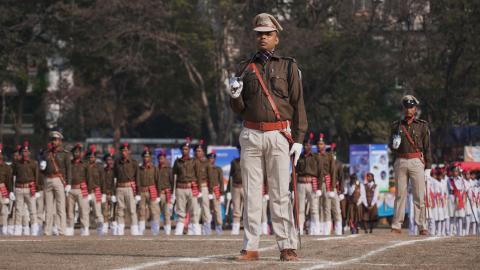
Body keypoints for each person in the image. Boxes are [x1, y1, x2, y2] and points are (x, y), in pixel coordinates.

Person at [229, 13, 307, 261]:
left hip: (279, 133)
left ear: (276, 37)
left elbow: (298, 104)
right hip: (251, 133)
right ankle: (250, 246)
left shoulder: (288, 66)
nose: (263, 37)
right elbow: (239, 109)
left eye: (267, 33)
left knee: (280, 193)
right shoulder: (243, 67)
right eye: (259, 34)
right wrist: (234, 96)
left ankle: (287, 245)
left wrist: (300, 139)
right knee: (251, 193)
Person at [390, 95, 431, 235]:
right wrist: (393, 145)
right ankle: (397, 225)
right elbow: (391, 146)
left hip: (416, 161)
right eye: (406, 107)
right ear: (403, 109)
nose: (409, 110)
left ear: (415, 108)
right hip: (400, 161)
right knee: (400, 195)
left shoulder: (422, 125)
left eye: (411, 107)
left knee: (419, 196)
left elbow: (427, 147)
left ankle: (422, 226)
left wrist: (429, 167)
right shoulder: (396, 125)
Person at [43, 131, 70, 236]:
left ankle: (62, 230)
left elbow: (69, 169)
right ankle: (47, 230)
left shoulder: (65, 154)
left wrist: (69, 183)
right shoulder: (46, 153)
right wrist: (42, 168)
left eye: (55, 140)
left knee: (60, 207)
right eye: (52, 140)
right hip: (47, 179)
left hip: (59, 180)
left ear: (60, 141)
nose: (53, 142)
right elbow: (43, 170)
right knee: (48, 208)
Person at [11, 141, 40, 236]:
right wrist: (11, 190)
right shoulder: (16, 163)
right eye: (23, 151)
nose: (25, 153)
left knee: (32, 210)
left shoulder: (33, 163)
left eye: (26, 151)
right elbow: (12, 176)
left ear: (30, 153)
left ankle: (34, 229)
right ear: (21, 153)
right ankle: (18, 228)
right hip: (19, 188)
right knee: (18, 210)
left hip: (29, 188)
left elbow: (37, 177)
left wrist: (37, 189)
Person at [173, 139, 201, 235]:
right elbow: (174, 176)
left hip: (191, 187)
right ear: (181, 150)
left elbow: (198, 176)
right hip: (180, 188)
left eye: (187, 149)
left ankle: (195, 230)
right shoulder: (177, 162)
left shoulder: (194, 161)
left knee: (194, 210)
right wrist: (174, 192)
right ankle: (179, 231)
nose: (185, 151)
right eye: (183, 149)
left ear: (189, 150)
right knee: (180, 210)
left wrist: (199, 190)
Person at [295, 132, 321, 235]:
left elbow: (320, 173)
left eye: (309, 145)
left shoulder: (316, 157)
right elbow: (295, 173)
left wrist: (319, 187)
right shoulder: (299, 157)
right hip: (301, 184)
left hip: (312, 184)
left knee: (314, 208)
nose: (307, 146)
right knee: (300, 208)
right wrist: (293, 189)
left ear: (311, 146)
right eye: (305, 145)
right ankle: (300, 229)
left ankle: (316, 229)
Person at [113, 142, 140, 236]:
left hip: (129, 188)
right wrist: (113, 192)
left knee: (132, 210)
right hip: (120, 188)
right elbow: (114, 177)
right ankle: (120, 230)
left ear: (129, 151)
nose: (124, 152)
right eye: (122, 150)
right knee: (120, 210)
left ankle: (135, 229)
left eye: (126, 150)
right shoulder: (117, 162)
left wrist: (138, 193)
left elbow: (137, 178)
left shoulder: (134, 163)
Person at [66, 143, 92, 236]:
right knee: (69, 210)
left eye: (78, 152)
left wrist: (89, 192)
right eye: (75, 152)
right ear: (72, 153)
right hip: (70, 189)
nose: (77, 153)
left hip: (82, 189)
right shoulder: (69, 164)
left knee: (83, 210)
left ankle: (84, 228)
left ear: (81, 153)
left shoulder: (85, 164)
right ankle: (69, 227)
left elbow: (89, 178)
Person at [137, 147, 161, 235]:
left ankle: (155, 230)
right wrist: (137, 194)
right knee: (141, 211)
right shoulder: (139, 169)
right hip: (142, 192)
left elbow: (158, 181)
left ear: (150, 158)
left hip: (152, 191)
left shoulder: (154, 168)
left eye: (148, 157)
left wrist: (158, 195)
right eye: (144, 157)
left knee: (154, 211)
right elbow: (137, 181)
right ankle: (140, 230)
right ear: (142, 158)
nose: (146, 158)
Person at [316, 133, 336, 235]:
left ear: (325, 145)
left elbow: (333, 172)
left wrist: (332, 187)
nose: (320, 145)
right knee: (318, 206)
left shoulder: (329, 156)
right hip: (317, 185)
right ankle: (319, 228)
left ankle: (327, 229)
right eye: (319, 144)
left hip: (326, 183)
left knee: (327, 207)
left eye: (322, 144)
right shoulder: (314, 156)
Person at [86, 145, 105, 235]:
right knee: (85, 211)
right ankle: (85, 229)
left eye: (93, 157)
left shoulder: (99, 167)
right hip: (86, 192)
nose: (91, 158)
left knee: (98, 212)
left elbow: (102, 181)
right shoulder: (85, 167)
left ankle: (100, 228)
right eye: (90, 157)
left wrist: (103, 193)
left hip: (96, 191)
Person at [207, 151, 225, 235]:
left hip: (215, 191)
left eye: (213, 158)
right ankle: (207, 228)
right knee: (207, 210)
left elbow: (221, 181)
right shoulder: (205, 168)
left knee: (217, 210)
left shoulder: (218, 169)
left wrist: (222, 193)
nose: (212, 160)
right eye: (210, 158)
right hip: (206, 190)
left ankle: (219, 227)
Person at [157, 150, 173, 235]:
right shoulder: (155, 169)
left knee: (167, 213)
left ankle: (167, 232)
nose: (161, 160)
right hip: (157, 194)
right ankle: (155, 231)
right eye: (159, 159)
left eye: (162, 158)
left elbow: (172, 182)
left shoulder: (169, 170)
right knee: (156, 213)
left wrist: (173, 194)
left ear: (165, 159)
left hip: (166, 193)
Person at [227, 150, 243, 235]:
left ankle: (251, 228)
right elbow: (230, 176)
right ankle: (235, 228)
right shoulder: (234, 162)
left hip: (246, 186)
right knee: (236, 208)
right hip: (236, 187)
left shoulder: (249, 161)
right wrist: (228, 191)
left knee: (249, 208)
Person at [0, 145, 12, 235]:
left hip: (2, 187)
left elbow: (9, 180)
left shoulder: (7, 168)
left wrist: (10, 191)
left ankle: (4, 227)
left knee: (4, 209)